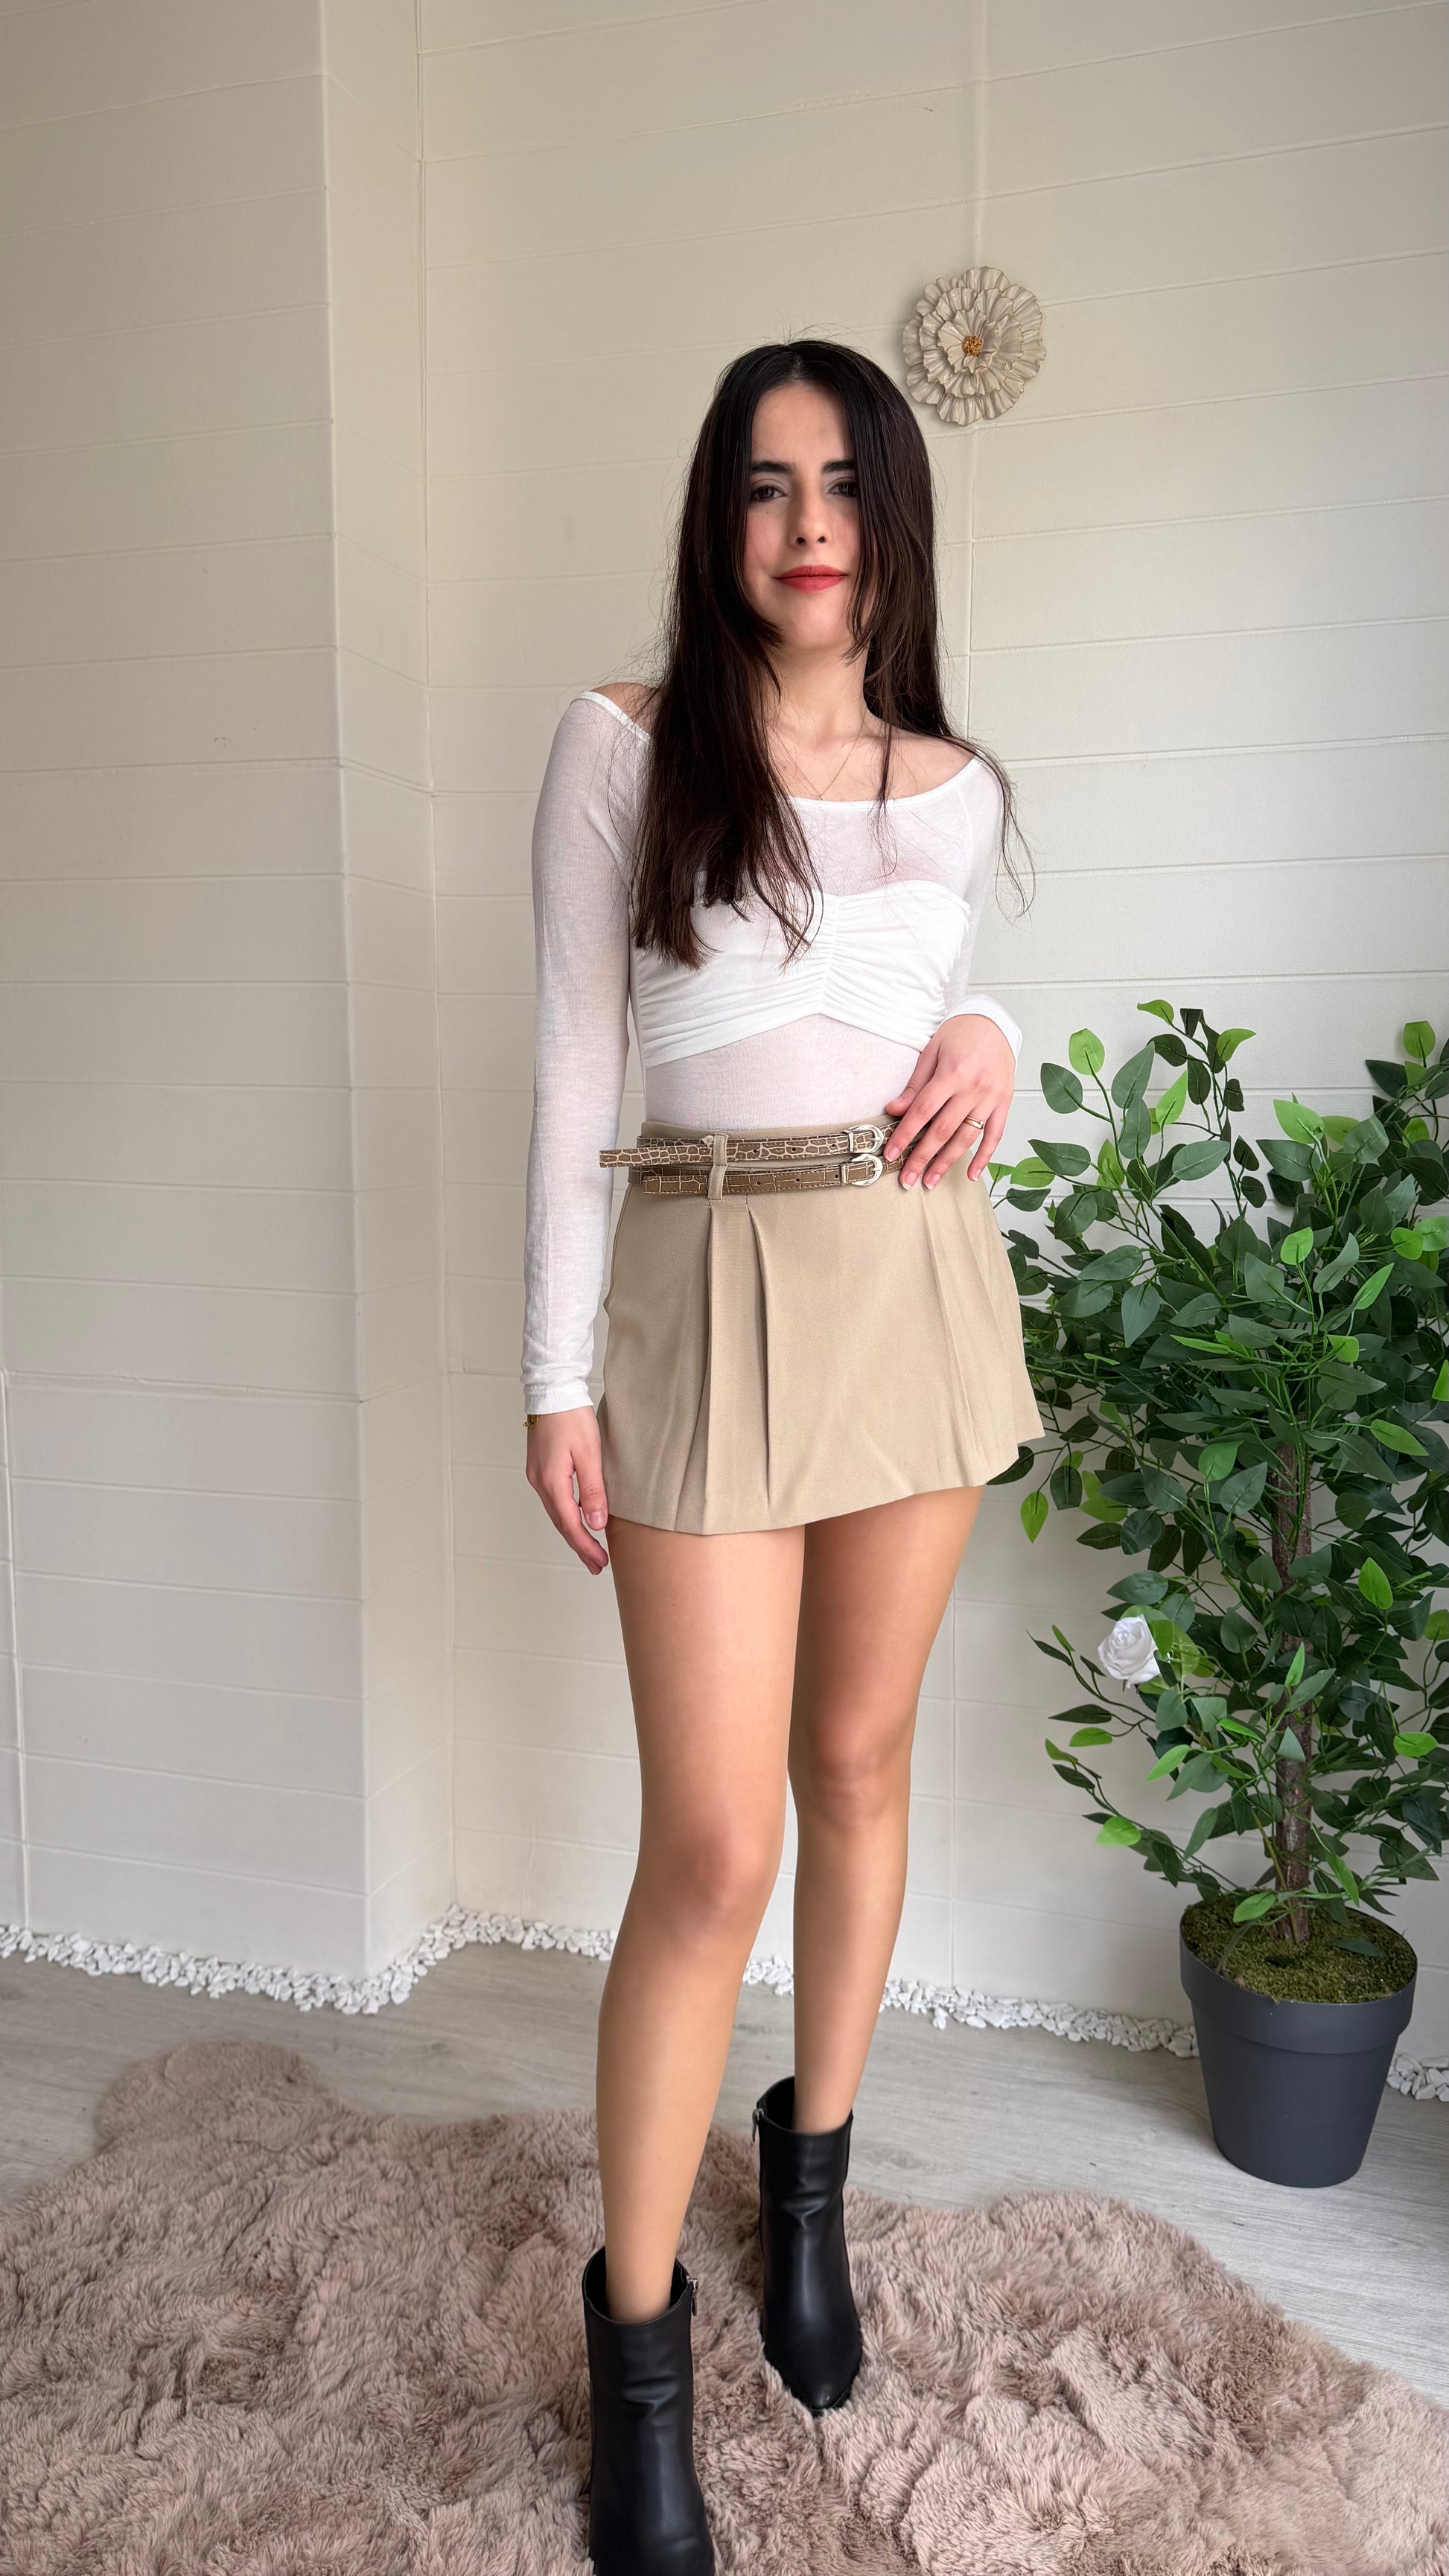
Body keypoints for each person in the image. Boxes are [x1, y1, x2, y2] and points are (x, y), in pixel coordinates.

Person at [520, 337, 1042, 2575]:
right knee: (713, 1844)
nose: (805, 521)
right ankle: (637, 2357)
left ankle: (808, 2185)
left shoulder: (956, 786)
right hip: (699, 1279)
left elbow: (929, 1001)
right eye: (763, 483)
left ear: (891, 516)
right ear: (717, 519)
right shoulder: (625, 742)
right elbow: (576, 1068)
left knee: (858, 1763)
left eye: (840, 482)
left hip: (911, 1283)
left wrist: (1002, 1031)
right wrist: (551, 1377)